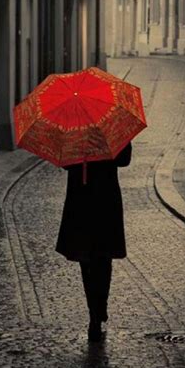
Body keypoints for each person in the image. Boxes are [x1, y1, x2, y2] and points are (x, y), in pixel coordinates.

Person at [55, 140, 132, 342]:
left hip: (85, 199)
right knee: (96, 258)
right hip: (99, 199)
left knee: (92, 258)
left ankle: (97, 311)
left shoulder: (77, 131)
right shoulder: (111, 129)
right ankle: (97, 311)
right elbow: (124, 160)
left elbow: (124, 159)